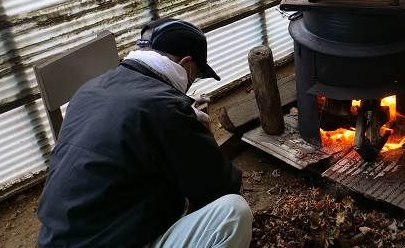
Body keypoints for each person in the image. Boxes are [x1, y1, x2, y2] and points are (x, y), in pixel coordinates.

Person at [37, 18, 252, 248]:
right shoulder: (165, 106)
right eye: (196, 75)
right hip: (113, 239)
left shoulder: (89, 89)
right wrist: (198, 133)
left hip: (58, 238)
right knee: (233, 213)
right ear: (187, 65)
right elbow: (221, 186)